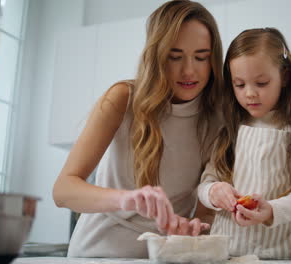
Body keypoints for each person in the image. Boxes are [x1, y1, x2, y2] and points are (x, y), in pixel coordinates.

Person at [52, 0, 224, 258]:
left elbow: (205, 213)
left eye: (201, 57)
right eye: (174, 56)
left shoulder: (217, 120)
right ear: (156, 55)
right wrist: (126, 199)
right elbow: (63, 190)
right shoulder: (122, 98)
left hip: (162, 258)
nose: (189, 70)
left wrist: (192, 232)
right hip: (96, 253)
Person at [197, 28, 291, 259]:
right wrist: (214, 192)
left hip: (279, 255)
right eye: (240, 84)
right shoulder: (228, 128)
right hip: (227, 255)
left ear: (284, 77)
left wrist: (272, 210)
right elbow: (206, 182)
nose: (250, 93)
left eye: (261, 83)